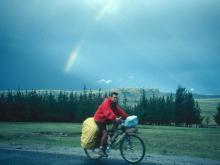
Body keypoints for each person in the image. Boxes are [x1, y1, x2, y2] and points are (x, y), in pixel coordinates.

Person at [94, 92, 128, 157]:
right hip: (99, 119)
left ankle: (110, 138)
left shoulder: (113, 104)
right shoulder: (106, 103)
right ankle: (100, 150)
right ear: (110, 97)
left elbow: (119, 111)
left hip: (106, 119)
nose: (115, 99)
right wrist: (115, 118)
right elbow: (108, 112)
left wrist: (126, 117)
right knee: (105, 133)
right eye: (114, 97)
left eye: (116, 98)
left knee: (117, 122)